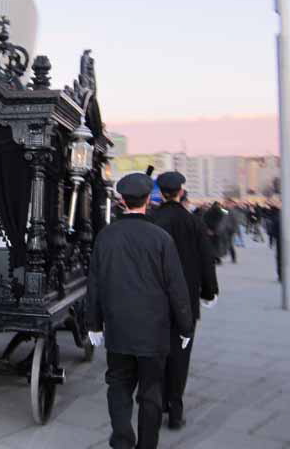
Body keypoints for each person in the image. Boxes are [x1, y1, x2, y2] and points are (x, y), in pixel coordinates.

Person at [87, 173, 193, 449]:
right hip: (154, 330)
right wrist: (185, 327)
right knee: (151, 391)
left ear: (121, 200)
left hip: (119, 328)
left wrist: (94, 324)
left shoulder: (105, 236)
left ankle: (122, 439)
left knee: (118, 386)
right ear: (148, 199)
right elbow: (176, 288)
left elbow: (95, 284)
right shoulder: (161, 238)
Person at [153, 172, 218, 430]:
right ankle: (176, 409)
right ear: (180, 192)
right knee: (181, 354)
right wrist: (209, 291)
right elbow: (206, 260)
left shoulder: (153, 220)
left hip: (157, 300)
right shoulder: (194, 222)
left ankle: (156, 404)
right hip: (186, 301)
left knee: (157, 354)